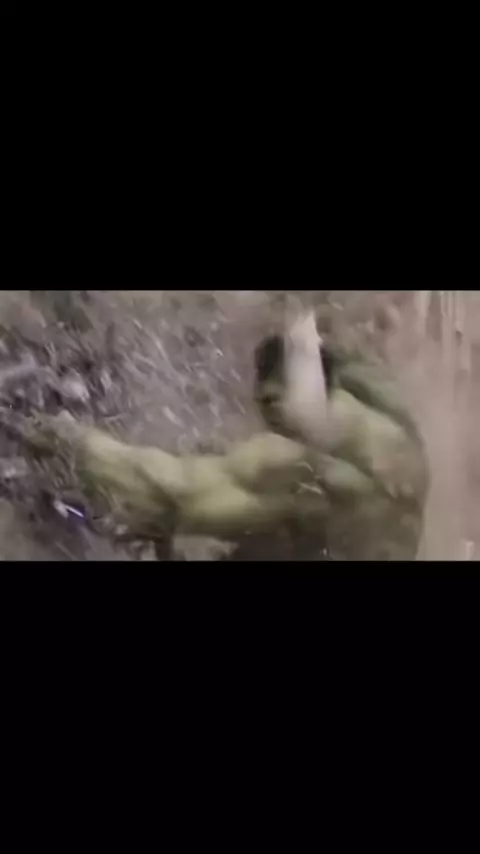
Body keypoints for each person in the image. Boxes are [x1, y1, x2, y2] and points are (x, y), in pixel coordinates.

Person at [2, 307, 429, 561]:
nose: (267, 418)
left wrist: (60, 435)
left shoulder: (302, 473)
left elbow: (171, 492)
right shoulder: (393, 430)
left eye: (268, 403)